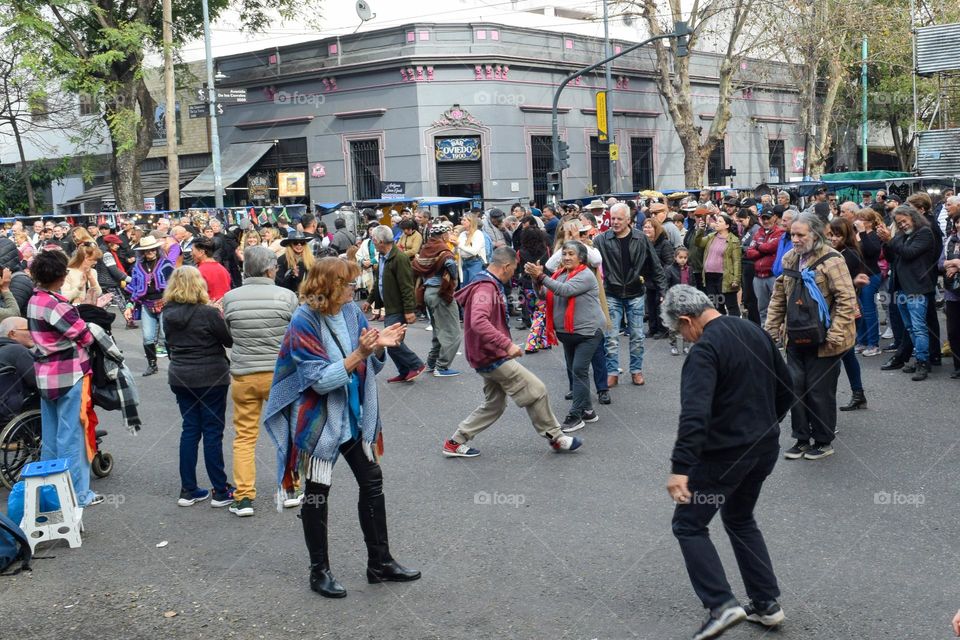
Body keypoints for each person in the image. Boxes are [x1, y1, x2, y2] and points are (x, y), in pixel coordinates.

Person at [262, 257, 419, 598]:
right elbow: (317, 380)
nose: (354, 289)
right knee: (318, 493)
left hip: (353, 414)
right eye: (348, 284)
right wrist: (360, 353)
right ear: (330, 286)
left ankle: (380, 563)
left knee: (372, 481)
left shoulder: (351, 311)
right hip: (319, 419)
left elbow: (370, 366)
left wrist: (378, 347)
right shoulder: (303, 319)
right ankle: (319, 571)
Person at [663, 285, 791, 640]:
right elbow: (788, 387)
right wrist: (765, 425)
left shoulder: (704, 351)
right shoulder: (753, 329)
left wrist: (680, 468)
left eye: (679, 331)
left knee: (688, 525)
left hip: (724, 457)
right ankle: (766, 603)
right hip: (764, 448)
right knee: (739, 517)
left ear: (687, 320)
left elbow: (694, 415)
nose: (682, 338)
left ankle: (721, 604)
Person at [442, 247, 582, 458]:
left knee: (494, 405)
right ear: (506, 266)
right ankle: (556, 437)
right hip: (491, 356)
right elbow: (478, 321)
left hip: (483, 355)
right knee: (537, 389)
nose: (514, 274)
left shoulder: (485, 283)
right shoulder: (486, 288)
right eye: (514, 268)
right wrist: (506, 345)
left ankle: (455, 442)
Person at [765, 212, 858, 460]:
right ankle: (802, 439)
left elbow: (847, 300)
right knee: (795, 388)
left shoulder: (833, 260)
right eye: (792, 234)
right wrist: (771, 329)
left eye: (799, 235)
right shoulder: (790, 258)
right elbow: (779, 298)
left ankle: (823, 440)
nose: (794, 239)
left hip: (826, 339)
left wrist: (836, 334)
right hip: (795, 336)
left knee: (819, 390)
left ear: (815, 234)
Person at [221, 246, 300, 517]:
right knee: (287, 431)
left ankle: (243, 497)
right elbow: (296, 335)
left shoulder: (230, 298)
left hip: (243, 373)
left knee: (244, 436)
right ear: (269, 269)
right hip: (279, 374)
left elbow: (230, 335)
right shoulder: (287, 296)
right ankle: (290, 488)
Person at [26, 250, 102, 507]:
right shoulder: (56, 305)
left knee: (51, 436)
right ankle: (77, 494)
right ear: (60, 275)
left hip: (45, 375)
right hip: (69, 374)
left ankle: (51, 492)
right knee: (71, 437)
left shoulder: (35, 300)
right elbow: (86, 336)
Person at [162, 266, 234, 508]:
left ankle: (188, 489)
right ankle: (220, 490)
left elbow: (170, 342)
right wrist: (219, 314)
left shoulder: (168, 313)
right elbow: (228, 340)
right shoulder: (208, 313)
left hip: (181, 374)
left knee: (190, 430)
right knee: (213, 432)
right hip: (211, 375)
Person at [525, 241, 606, 432]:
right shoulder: (560, 274)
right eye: (564, 254)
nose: (567, 257)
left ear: (581, 258)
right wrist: (535, 279)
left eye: (571, 254)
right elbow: (545, 294)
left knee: (578, 370)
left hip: (588, 332)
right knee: (574, 370)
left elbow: (565, 290)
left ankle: (576, 415)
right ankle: (587, 410)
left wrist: (541, 276)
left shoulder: (586, 275)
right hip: (568, 333)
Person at [593, 203, 667, 387]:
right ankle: (612, 372)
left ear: (628, 220)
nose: (615, 222)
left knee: (637, 335)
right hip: (611, 293)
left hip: (635, 293)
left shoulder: (641, 238)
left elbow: (656, 266)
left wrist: (663, 291)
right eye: (613, 218)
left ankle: (636, 370)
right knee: (611, 337)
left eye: (619, 218)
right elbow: (592, 266)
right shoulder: (601, 240)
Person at [877, 204, 938, 381]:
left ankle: (923, 362)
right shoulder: (902, 235)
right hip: (901, 287)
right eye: (898, 222)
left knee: (919, 327)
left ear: (913, 218)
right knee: (910, 327)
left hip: (917, 288)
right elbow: (892, 258)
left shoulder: (925, 233)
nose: (902, 225)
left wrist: (890, 239)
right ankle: (920, 358)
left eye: (904, 221)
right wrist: (886, 241)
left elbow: (909, 253)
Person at [364, 225, 424, 382]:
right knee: (393, 342)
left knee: (392, 342)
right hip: (389, 307)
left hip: (397, 308)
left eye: (373, 240)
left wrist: (409, 310)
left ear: (379, 241)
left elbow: (406, 286)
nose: (373, 243)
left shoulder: (400, 258)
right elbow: (379, 282)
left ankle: (416, 364)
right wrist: (370, 300)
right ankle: (404, 371)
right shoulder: (382, 257)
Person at [827, 218, 870, 410]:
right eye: (830, 234)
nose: (833, 238)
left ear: (846, 236)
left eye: (837, 235)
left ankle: (830, 399)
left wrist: (853, 283)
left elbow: (840, 286)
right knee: (846, 354)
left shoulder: (849, 254)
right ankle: (857, 394)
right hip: (839, 308)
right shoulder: (836, 253)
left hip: (848, 309)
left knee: (839, 354)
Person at [412, 221, 461, 377]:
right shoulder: (444, 250)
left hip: (427, 293)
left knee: (438, 331)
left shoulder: (426, 248)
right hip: (441, 292)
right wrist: (453, 277)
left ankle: (432, 364)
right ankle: (442, 367)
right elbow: (450, 265)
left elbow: (416, 264)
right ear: (444, 235)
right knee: (452, 332)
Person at [124, 235, 175, 376]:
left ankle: (174, 364)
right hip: (146, 304)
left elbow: (174, 284)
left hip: (165, 303)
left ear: (157, 249)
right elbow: (133, 287)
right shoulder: (138, 267)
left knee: (166, 335)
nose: (150, 252)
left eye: (152, 249)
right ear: (142, 252)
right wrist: (130, 304)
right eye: (146, 250)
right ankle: (152, 365)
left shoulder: (166, 264)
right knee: (147, 336)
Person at [694, 213, 741, 318]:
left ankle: (736, 328)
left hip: (724, 277)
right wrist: (700, 231)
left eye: (720, 221)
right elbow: (698, 243)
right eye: (716, 221)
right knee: (716, 305)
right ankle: (720, 327)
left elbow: (737, 261)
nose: (716, 223)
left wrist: (736, 280)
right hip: (709, 276)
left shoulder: (734, 240)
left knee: (731, 305)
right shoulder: (711, 236)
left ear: (727, 226)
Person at [745, 206, 785, 327]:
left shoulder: (780, 232)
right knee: (762, 309)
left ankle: (777, 335)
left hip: (772, 276)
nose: (766, 221)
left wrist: (759, 247)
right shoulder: (758, 233)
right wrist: (763, 249)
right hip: (758, 277)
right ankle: (766, 334)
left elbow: (771, 247)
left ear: (774, 218)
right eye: (764, 218)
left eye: (768, 218)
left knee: (777, 308)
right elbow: (749, 252)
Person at [854, 209, 885, 357]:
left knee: (868, 310)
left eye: (863, 219)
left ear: (871, 222)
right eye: (858, 218)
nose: (859, 221)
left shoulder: (872, 235)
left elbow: (873, 251)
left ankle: (873, 343)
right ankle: (862, 340)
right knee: (858, 311)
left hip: (871, 275)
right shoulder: (856, 235)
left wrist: (862, 232)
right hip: (857, 277)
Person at [0, 316, 37, 424]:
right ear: (12, 334)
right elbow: (38, 381)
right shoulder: (17, 350)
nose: (33, 333)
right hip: (13, 412)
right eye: (28, 329)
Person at [643, 217, 675, 338]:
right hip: (648, 278)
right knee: (650, 304)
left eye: (649, 227)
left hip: (661, 279)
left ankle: (663, 330)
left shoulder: (664, 244)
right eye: (645, 227)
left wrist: (662, 275)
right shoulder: (644, 242)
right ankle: (653, 328)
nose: (646, 229)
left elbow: (669, 263)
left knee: (660, 304)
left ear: (656, 229)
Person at [941, 198, 960, 379]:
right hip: (952, 291)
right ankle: (957, 365)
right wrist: (953, 263)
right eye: (957, 221)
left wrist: (955, 263)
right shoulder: (949, 241)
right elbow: (940, 263)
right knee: (954, 331)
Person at [736, 209, 762, 324]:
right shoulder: (748, 229)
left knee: (751, 297)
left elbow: (754, 247)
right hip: (746, 263)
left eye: (741, 220)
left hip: (751, 264)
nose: (740, 223)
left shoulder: (755, 229)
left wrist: (741, 248)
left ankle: (755, 322)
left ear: (748, 218)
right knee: (748, 297)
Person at [192, 237, 231, 302]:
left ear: (201, 252)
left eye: (192, 250)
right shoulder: (223, 269)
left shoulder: (199, 272)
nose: (191, 254)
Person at [456, 212, 488, 285]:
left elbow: (474, 251)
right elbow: (459, 250)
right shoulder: (462, 234)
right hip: (464, 263)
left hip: (475, 262)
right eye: (462, 220)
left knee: (474, 286)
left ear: (471, 222)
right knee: (465, 287)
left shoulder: (478, 234)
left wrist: (458, 244)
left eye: (464, 220)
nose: (462, 222)